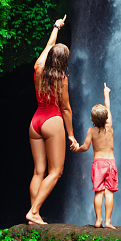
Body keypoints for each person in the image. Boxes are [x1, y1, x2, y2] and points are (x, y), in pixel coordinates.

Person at [25, 15, 77, 225]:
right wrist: (71, 135)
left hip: (35, 120)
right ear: (64, 61)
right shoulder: (61, 79)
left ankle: (33, 214)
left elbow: (49, 46)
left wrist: (56, 26)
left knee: (39, 171)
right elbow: (65, 108)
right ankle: (34, 212)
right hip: (52, 120)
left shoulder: (38, 68)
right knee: (56, 171)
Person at [73, 83, 118, 229]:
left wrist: (76, 148)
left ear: (92, 119)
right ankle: (108, 222)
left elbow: (85, 148)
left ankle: (98, 221)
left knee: (98, 192)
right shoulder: (109, 126)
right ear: (106, 118)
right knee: (109, 192)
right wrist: (106, 93)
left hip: (98, 163)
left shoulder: (91, 131)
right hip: (110, 162)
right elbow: (108, 107)